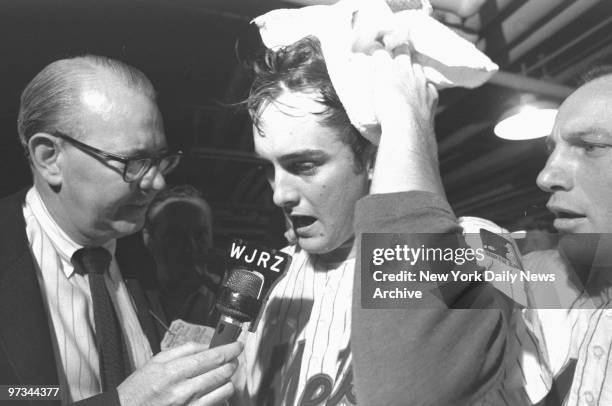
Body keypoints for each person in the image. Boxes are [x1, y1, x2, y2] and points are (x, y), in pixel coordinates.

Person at [349, 35, 612, 404]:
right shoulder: (543, 281)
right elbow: (406, 379)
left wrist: (408, 126)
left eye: (591, 146)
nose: (546, 176)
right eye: (552, 149)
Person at [0, 55, 241, 406]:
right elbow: (14, 398)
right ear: (49, 157)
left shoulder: (145, 256)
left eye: (160, 159)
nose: (157, 181)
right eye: (134, 162)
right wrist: (123, 402)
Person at [231, 36, 376, 405]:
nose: (279, 195)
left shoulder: (469, 247)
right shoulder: (268, 278)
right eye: (269, 168)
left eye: (304, 165)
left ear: (372, 159)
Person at [143, 184, 221, 326]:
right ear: (148, 239)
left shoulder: (225, 300)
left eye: (200, 234)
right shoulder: (132, 296)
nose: (189, 246)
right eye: (176, 235)